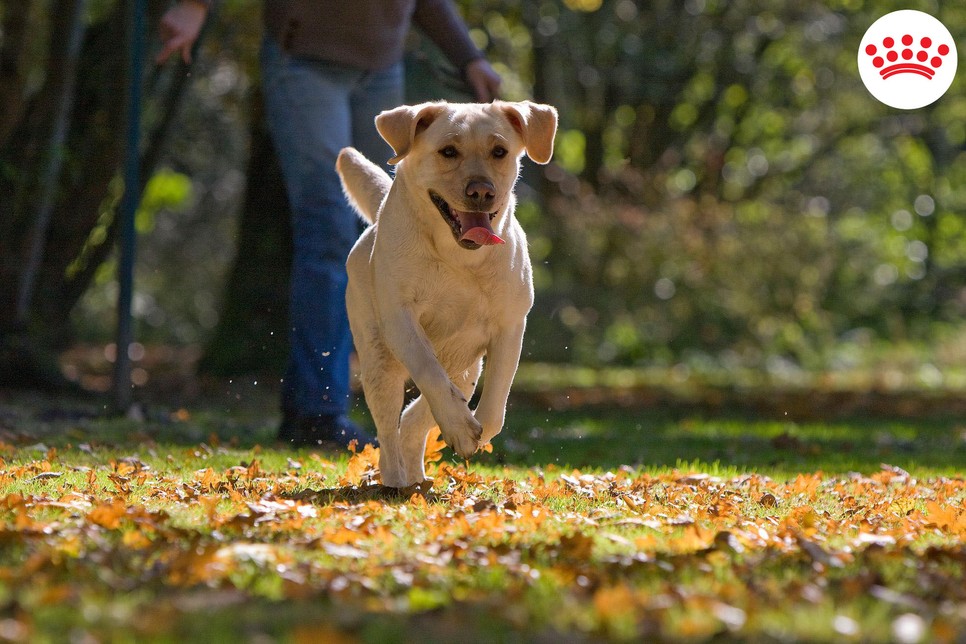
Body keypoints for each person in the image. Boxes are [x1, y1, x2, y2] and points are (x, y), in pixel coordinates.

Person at [158, 1, 501, 448]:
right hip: (304, 63)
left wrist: (468, 56)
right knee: (328, 227)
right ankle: (315, 412)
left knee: (392, 226)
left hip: (381, 68)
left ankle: (407, 407)